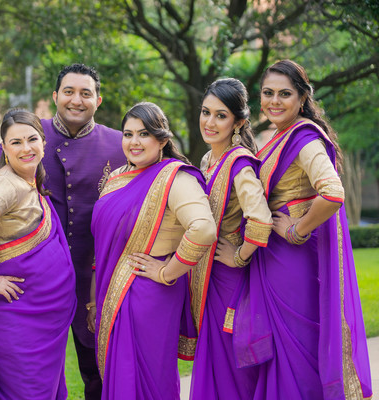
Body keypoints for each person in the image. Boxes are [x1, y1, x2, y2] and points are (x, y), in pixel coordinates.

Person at [0, 63, 126, 399]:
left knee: (98, 368)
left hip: (95, 279)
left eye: (86, 93)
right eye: (68, 92)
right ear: (55, 96)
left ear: (99, 99)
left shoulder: (118, 143)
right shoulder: (30, 137)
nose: (76, 100)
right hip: (32, 288)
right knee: (34, 375)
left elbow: (158, 176)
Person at [239, 59, 372, 399]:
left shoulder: (304, 138)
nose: (274, 101)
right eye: (268, 93)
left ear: (302, 98)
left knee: (296, 350)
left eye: (285, 94)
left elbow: (332, 192)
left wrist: (296, 230)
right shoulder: (279, 136)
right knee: (284, 352)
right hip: (275, 260)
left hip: (292, 263)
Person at [90, 102, 217, 399]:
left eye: (144, 134)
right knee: (122, 378)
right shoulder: (116, 177)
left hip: (149, 296)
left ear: (162, 139)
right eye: (128, 134)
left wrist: (165, 272)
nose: (133, 142)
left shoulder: (175, 177)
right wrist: (92, 301)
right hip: (113, 290)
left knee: (148, 380)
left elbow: (204, 229)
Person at [0, 108, 76, 399]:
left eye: (32, 139)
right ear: (4, 149)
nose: (26, 148)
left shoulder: (29, 179)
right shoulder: (7, 183)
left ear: (43, 142)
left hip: (39, 319)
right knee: (24, 390)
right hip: (15, 318)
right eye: (16, 142)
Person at [188, 78, 273, 399]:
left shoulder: (239, 163)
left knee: (229, 363)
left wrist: (239, 255)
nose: (209, 122)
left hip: (229, 281)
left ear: (238, 122)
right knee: (212, 360)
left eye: (220, 115)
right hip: (208, 278)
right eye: (206, 112)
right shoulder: (210, 160)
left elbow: (261, 218)